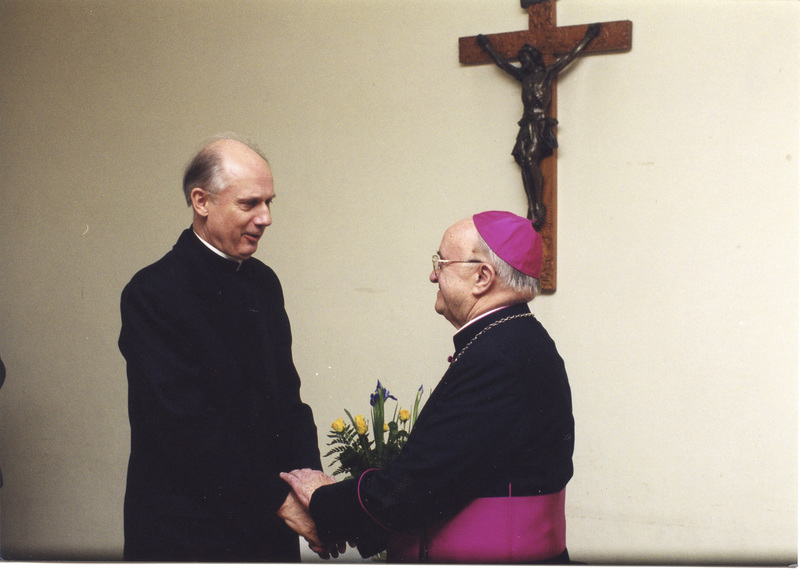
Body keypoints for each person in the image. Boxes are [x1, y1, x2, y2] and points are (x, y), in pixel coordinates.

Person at [280, 210, 574, 563]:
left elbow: (419, 485)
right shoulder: (515, 340)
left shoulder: (496, 357)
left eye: (441, 263)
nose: (433, 274)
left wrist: (322, 501)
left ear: (482, 277)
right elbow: (452, 477)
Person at [118, 135, 324, 561]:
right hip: (187, 532)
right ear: (201, 201)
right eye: (249, 204)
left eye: (269, 202)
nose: (266, 218)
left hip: (268, 525)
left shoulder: (263, 283)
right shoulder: (153, 292)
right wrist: (284, 502)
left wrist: (313, 493)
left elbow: (288, 402)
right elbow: (185, 428)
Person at [478, 24, 600, 229]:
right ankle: (532, 205)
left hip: (540, 125)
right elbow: (502, 64)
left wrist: (588, 37)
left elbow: (570, 56)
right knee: (523, 160)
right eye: (521, 60)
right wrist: (487, 47)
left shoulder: (547, 73)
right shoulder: (523, 77)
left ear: (533, 58)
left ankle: (537, 205)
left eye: (525, 59)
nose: (523, 63)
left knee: (530, 159)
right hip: (526, 125)